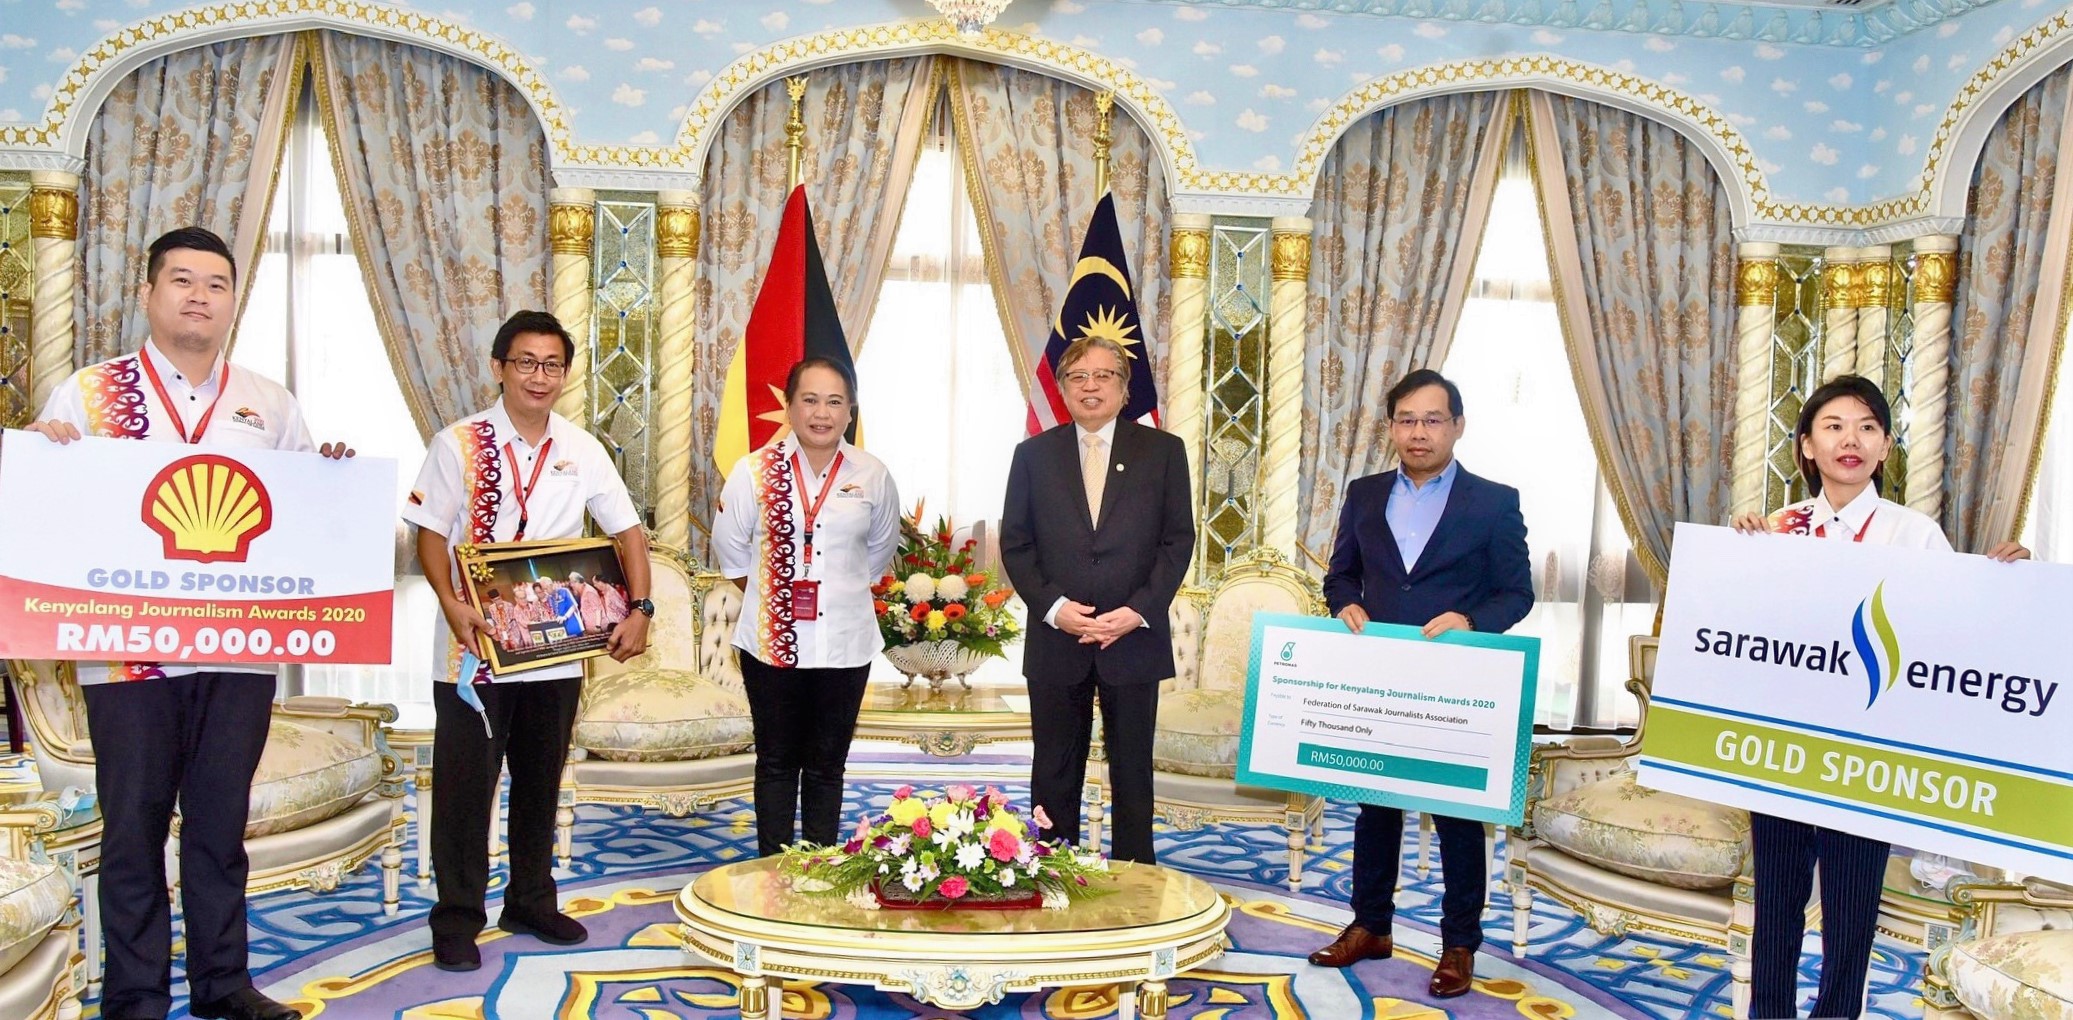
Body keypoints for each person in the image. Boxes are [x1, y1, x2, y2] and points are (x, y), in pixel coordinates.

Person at [21, 226, 354, 1020]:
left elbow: (302, 521)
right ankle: (135, 996)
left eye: (216, 283)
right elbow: (46, 517)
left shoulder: (268, 402)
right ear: (148, 293)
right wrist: (37, 458)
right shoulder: (89, 394)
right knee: (133, 829)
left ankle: (223, 983)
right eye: (182, 280)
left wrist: (332, 478)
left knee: (219, 825)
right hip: (126, 655)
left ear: (233, 301)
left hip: (237, 651)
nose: (199, 296)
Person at [1729, 374, 2029, 1019]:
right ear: (1806, 445)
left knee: (1851, 908)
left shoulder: (1913, 534)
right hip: (1782, 744)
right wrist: (1737, 556)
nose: (1851, 440)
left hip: (1866, 754)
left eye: (1868, 428)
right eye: (1833, 426)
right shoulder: (1777, 528)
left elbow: (1955, 631)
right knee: (1776, 901)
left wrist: (2008, 583)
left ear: (1886, 447)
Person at [401, 309, 655, 973]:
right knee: (465, 790)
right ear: (499, 368)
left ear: (564, 374)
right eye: (525, 362)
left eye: (551, 365)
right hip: (473, 651)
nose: (538, 376)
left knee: (542, 782)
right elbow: (430, 532)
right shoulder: (457, 443)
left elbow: (627, 530)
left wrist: (641, 607)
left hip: (553, 651)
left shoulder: (582, 448)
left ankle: (531, 902)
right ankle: (457, 918)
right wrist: (451, 602)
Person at [1306, 368, 1532, 1000]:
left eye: (1433, 420)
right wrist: (1345, 603)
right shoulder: (1365, 494)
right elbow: (1340, 575)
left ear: (1457, 426)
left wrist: (1471, 621)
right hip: (1378, 676)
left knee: (1457, 816)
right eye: (1406, 420)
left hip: (1455, 681)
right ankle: (1370, 925)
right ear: (1390, 428)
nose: (1419, 432)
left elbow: (1517, 592)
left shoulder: (1494, 502)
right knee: (1374, 806)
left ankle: (1459, 944)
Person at [1000, 335, 1194, 864]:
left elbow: (1178, 542)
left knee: (1132, 771)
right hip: (1056, 639)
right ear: (1062, 389)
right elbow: (1016, 544)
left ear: (1125, 388)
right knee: (1054, 769)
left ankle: (1136, 878)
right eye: (1078, 377)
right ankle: (1051, 871)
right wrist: (1053, 609)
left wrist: (1138, 611)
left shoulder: (1163, 451)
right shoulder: (1032, 455)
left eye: (1104, 375)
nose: (1091, 386)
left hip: (1132, 638)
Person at [713, 356, 901, 856]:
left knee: (826, 765)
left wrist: (835, 590)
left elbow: (878, 555)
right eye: (810, 400)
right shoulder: (754, 471)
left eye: (835, 402)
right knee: (776, 761)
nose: (822, 413)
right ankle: (770, 871)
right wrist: (775, 594)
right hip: (771, 641)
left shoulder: (872, 474)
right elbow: (731, 553)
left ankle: (820, 867)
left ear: (850, 410)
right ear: (789, 406)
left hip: (845, 644)